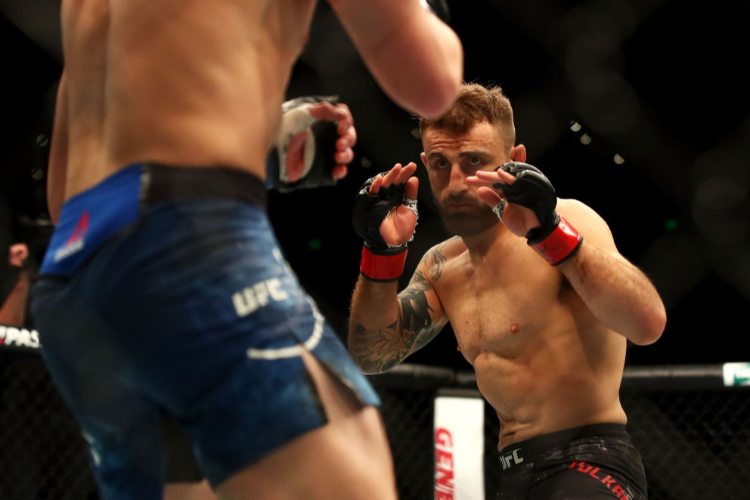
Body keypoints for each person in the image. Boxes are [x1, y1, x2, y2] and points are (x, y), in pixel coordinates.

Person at [30, 1, 464, 500]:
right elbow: (431, 84)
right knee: (353, 477)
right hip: (192, 246)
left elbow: (66, 192)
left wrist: (249, 141)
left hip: (74, 274)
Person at [348, 83, 667, 500]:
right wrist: (381, 255)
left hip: (591, 462)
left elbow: (648, 324)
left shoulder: (568, 220)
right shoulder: (441, 267)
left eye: (474, 161)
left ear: (514, 161)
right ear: (425, 164)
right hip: (514, 474)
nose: (457, 182)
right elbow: (371, 355)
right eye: (441, 163)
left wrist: (551, 233)